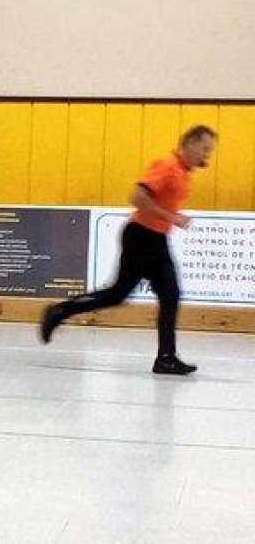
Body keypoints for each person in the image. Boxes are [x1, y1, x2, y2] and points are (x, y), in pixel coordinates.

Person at [39, 125, 217, 375]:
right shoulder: (167, 165)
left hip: (154, 238)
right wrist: (171, 217)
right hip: (142, 237)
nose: (206, 156)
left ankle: (61, 311)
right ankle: (165, 357)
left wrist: (168, 219)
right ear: (189, 143)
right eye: (204, 149)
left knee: (131, 295)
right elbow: (137, 197)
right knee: (155, 294)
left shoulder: (183, 171)